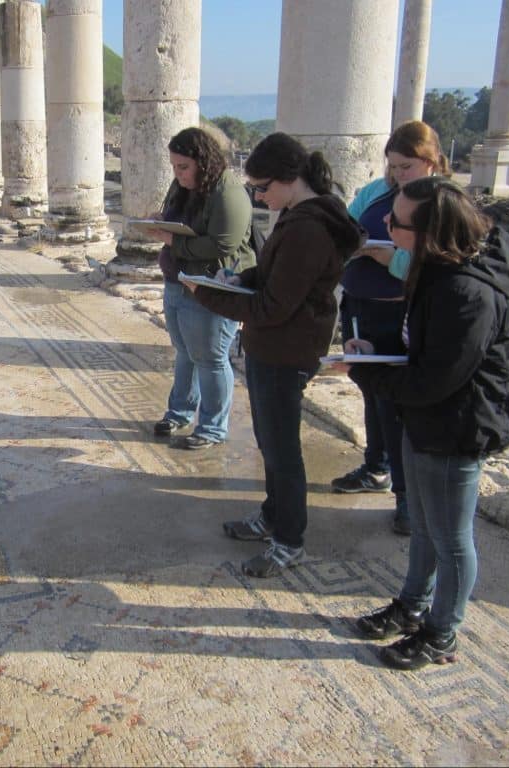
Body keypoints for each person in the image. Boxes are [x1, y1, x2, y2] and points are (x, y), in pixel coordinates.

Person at [346, 176, 509, 670]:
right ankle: (411, 604)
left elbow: (434, 381)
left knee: (450, 538)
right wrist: (377, 353)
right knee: (423, 526)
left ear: (428, 234)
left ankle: (442, 631)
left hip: (455, 427)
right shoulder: (435, 272)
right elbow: (418, 351)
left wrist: (366, 372)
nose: (384, 224)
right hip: (424, 420)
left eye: (395, 221)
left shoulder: (468, 293)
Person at [186, 132, 363, 576]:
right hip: (276, 345)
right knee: (269, 442)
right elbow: (269, 276)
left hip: (287, 349)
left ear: (291, 178)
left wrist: (206, 295)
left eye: (263, 187)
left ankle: (289, 540)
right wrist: (238, 280)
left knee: (283, 451)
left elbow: (273, 306)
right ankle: (271, 517)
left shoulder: (309, 228)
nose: (259, 197)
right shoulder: (297, 215)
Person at [331, 121, 450, 536]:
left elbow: (441, 262)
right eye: (394, 166)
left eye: (407, 167)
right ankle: (375, 465)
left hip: (402, 311)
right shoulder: (375, 192)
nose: (398, 175)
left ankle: (407, 499)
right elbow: (345, 228)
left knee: (397, 406)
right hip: (361, 305)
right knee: (370, 388)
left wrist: (389, 260)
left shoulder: (443, 203)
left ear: (431, 162)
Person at [146, 127, 256, 450]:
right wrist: (162, 221)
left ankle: (211, 427)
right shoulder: (183, 185)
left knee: (210, 357)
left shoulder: (228, 191)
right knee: (185, 352)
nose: (178, 174)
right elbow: (178, 219)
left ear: (203, 162)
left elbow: (224, 243)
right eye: (174, 167)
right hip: (178, 281)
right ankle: (179, 412)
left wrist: (172, 240)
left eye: (183, 167)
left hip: (210, 287)